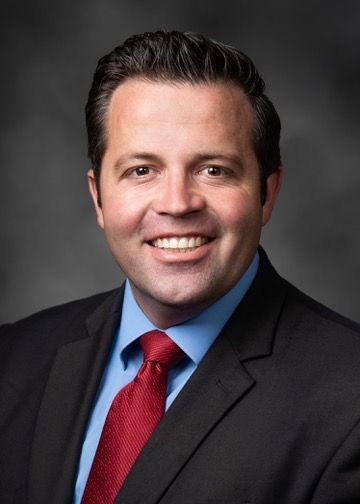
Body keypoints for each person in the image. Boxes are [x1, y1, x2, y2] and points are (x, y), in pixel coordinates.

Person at [1, 30, 360, 504]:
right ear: (99, 197)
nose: (177, 204)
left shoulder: (348, 400)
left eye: (214, 170)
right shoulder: (13, 359)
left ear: (267, 193)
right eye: (141, 170)